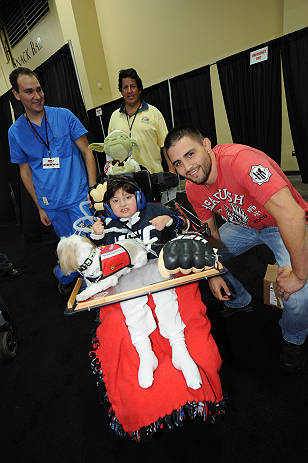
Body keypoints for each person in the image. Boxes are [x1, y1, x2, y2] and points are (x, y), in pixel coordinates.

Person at [164, 124, 308, 373]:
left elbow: (293, 217)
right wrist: (212, 271)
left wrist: (300, 275)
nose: (187, 168)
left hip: (279, 223)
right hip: (243, 224)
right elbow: (211, 234)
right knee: (199, 259)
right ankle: (239, 301)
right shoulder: (192, 187)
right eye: (177, 162)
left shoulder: (241, 162)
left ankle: (293, 338)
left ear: (207, 145)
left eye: (190, 154)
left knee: (299, 296)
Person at [90, 175, 201, 390]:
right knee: (131, 304)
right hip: (127, 273)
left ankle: (180, 349)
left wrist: (168, 221)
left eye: (128, 197)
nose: (122, 204)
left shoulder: (154, 209)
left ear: (138, 197)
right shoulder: (110, 225)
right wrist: (97, 236)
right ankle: (145, 352)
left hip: (156, 265)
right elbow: (98, 253)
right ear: (108, 206)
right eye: (115, 200)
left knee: (165, 297)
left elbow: (185, 224)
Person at [8, 67, 97, 294]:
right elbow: (25, 172)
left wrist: (93, 189)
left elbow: (88, 152)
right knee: (70, 251)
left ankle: (77, 282)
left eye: (39, 89)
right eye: (29, 92)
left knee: (88, 248)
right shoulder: (15, 132)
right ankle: (65, 275)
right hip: (52, 204)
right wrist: (39, 207)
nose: (37, 96)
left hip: (79, 198)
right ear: (16, 95)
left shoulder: (64, 116)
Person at [108, 68, 175, 174]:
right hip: (126, 179)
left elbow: (166, 145)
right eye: (125, 87)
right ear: (121, 92)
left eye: (133, 86)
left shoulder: (153, 113)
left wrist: (172, 171)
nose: (129, 91)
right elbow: (110, 149)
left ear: (139, 89)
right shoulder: (114, 117)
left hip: (153, 176)